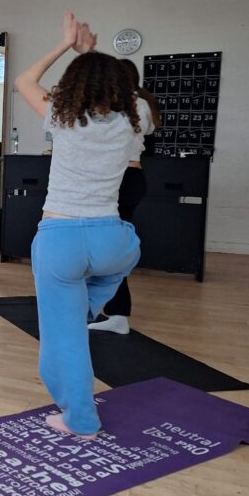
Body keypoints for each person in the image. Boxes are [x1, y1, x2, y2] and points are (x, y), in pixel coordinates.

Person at [14, 12, 147, 440]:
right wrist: (95, 55)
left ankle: (81, 419)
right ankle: (85, 308)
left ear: (73, 85)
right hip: (113, 239)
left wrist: (66, 46)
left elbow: (24, 80)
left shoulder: (61, 116)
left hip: (61, 240)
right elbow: (126, 91)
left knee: (64, 339)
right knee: (128, 251)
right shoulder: (135, 117)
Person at [90, 59, 159, 334]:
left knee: (107, 249)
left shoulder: (132, 105)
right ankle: (113, 311)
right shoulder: (138, 104)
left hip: (122, 181)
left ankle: (117, 314)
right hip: (125, 180)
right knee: (105, 247)